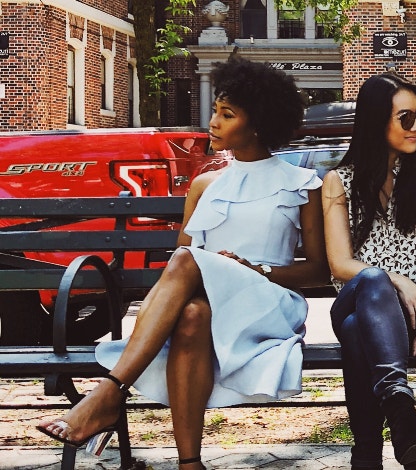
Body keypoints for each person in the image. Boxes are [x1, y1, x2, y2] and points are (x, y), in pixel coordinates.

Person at [36, 56, 328, 469]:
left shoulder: (302, 184)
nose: (214, 122)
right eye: (215, 111)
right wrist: (214, 270)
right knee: (190, 313)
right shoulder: (206, 184)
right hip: (210, 305)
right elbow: (184, 270)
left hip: (267, 307)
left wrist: (254, 270)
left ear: (259, 123)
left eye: (227, 115)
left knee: (187, 259)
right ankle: (190, 464)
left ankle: (109, 392)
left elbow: (319, 271)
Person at [321, 73, 416, 470]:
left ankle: (368, 451)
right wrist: (401, 282)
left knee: (355, 331)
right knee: (372, 281)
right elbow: (340, 264)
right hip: (359, 296)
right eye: (406, 118)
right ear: (377, 121)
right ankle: (400, 410)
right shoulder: (339, 182)